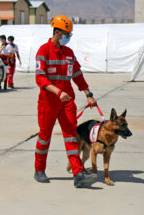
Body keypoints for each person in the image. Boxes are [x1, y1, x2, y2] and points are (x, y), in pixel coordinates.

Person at [34, 15, 98, 188]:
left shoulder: (69, 53)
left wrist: (88, 93)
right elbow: (40, 78)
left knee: (71, 135)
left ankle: (78, 174)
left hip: (67, 101)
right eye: (66, 33)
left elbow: (77, 75)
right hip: (48, 102)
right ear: (57, 32)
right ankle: (39, 170)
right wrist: (57, 91)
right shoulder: (43, 51)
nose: (68, 37)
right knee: (44, 137)